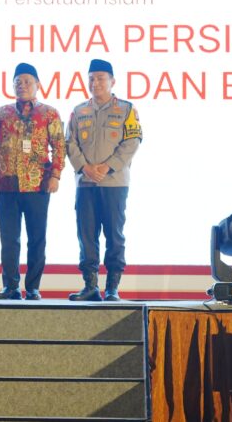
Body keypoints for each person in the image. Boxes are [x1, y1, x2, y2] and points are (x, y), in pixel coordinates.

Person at [0, 63, 65, 300]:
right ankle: (11, 286)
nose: (22, 86)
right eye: (18, 82)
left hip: (38, 185)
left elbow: (59, 146)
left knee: (37, 238)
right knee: (9, 239)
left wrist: (56, 175)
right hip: (6, 185)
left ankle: (33, 287)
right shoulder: (2, 113)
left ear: (38, 85)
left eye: (27, 81)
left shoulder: (49, 113)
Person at [65, 59, 142, 301]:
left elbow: (132, 141)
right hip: (85, 184)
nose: (95, 82)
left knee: (114, 235)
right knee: (86, 235)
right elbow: (70, 143)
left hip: (114, 183)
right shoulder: (79, 111)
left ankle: (112, 288)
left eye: (100, 78)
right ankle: (90, 286)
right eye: (91, 78)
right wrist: (85, 168)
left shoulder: (127, 109)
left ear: (112, 81)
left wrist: (108, 166)